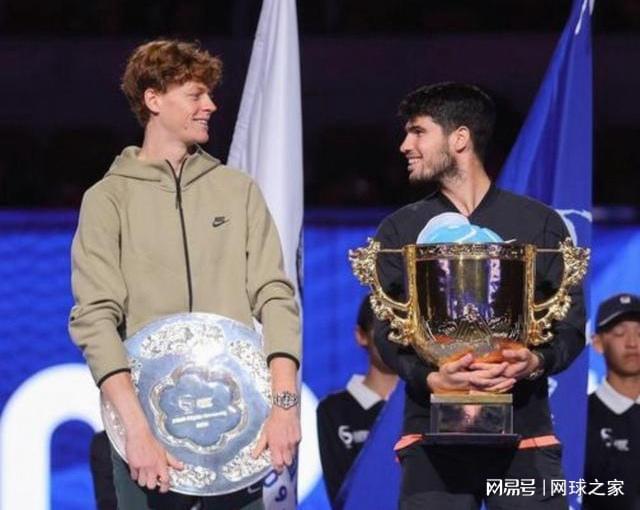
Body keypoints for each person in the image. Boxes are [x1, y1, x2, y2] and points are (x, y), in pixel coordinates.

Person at [68, 39, 301, 510]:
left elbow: (276, 297)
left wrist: (284, 406)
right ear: (154, 100)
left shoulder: (237, 190)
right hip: (144, 435)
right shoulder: (107, 199)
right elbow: (94, 319)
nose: (210, 105)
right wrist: (135, 430)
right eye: (196, 94)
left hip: (239, 432)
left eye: (209, 94)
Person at [373, 82, 585, 509]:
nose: (405, 146)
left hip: (525, 437)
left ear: (460, 138)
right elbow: (387, 332)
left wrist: (534, 361)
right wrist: (431, 378)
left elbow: (570, 324)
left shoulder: (539, 223)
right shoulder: (400, 230)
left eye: (418, 132)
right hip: (432, 442)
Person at [316, 295, 398, 508]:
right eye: (385, 329)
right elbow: (341, 493)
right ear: (361, 336)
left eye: (400, 330)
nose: (394, 339)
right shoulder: (332, 411)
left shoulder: (421, 404)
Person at [584, 293, 640, 510]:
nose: (632, 343)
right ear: (598, 343)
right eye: (619, 333)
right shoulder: (580, 418)